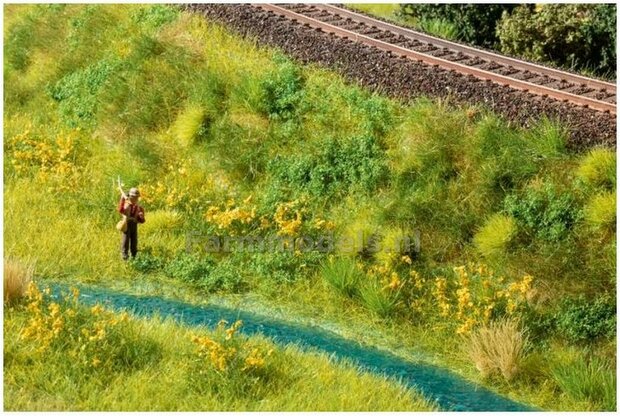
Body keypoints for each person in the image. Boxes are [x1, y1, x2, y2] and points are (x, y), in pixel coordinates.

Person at [118, 185, 145, 260]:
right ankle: (125, 257)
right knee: (125, 241)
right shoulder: (126, 205)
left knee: (134, 241)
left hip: (134, 225)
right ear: (130, 196)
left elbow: (142, 221)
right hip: (127, 225)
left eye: (136, 197)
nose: (135, 198)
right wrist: (122, 199)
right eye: (133, 196)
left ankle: (134, 256)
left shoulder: (139, 208)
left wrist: (141, 216)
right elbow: (120, 210)